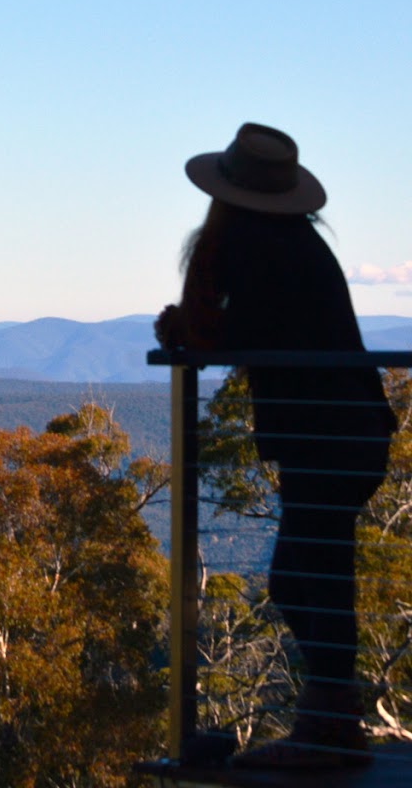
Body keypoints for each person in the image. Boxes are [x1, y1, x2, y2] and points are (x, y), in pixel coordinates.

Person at [155, 122, 396, 768]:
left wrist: (186, 326)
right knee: (306, 575)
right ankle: (330, 718)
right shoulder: (296, 246)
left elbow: (221, 331)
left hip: (329, 433)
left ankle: (329, 726)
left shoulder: (258, 250)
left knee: (311, 575)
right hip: (346, 431)